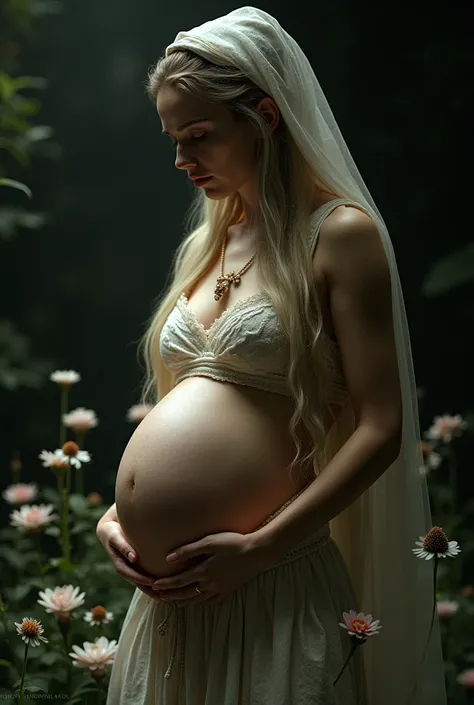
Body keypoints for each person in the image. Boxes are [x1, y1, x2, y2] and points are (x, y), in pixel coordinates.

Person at [96, 7, 446, 705]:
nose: (181, 160)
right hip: (168, 604)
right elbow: (189, 407)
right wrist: (115, 516)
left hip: (269, 584)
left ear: (265, 115)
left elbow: (380, 428)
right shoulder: (211, 243)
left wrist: (261, 548)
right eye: (173, 139)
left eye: (199, 135)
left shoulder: (340, 236)